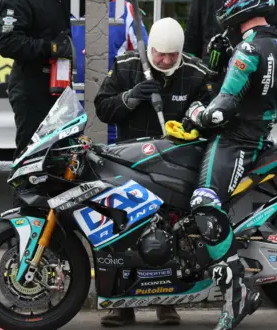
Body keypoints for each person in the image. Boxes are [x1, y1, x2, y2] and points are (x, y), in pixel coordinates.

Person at [183, 0, 277, 330]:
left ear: (242, 1)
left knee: (204, 204)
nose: (223, 3)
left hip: (235, 140)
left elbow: (220, 110)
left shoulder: (249, 49)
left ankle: (238, 291)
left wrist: (194, 113)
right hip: (260, 133)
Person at [94, 17, 214, 326]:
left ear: (180, 52)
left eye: (171, 56)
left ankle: (166, 303)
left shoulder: (196, 73)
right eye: (160, 53)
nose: (164, 60)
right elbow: (102, 108)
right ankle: (121, 306)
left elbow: (214, 111)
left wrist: (194, 118)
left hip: (173, 166)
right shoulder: (126, 65)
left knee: (171, 233)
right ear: (151, 50)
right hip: (127, 163)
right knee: (122, 232)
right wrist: (131, 97)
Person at [0, 0, 74, 164]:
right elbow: (6, 42)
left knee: (61, 158)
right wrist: (52, 48)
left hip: (61, 87)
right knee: (32, 158)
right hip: (31, 88)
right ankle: (25, 202)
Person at [80, 0, 149, 143]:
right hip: (74, 106)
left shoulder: (125, 11)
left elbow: (144, 55)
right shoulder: (71, 10)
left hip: (113, 103)